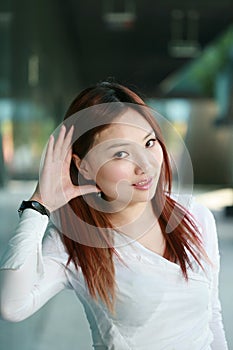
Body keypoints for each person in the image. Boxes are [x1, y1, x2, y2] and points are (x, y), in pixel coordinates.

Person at [0, 81, 228, 349]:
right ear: (82, 164)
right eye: (121, 153)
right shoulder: (74, 242)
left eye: (149, 142)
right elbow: (11, 306)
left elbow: (211, 315)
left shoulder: (194, 215)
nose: (145, 164)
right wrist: (38, 206)